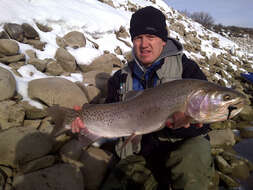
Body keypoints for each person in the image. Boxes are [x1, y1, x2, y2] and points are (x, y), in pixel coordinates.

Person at [72, 6, 214, 190]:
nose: (144, 44)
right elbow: (110, 116)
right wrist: (86, 124)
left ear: (163, 41)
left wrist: (183, 125)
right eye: (138, 38)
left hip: (180, 147)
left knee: (194, 157)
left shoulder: (187, 69)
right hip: (138, 152)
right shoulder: (120, 78)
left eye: (151, 37)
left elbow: (206, 122)